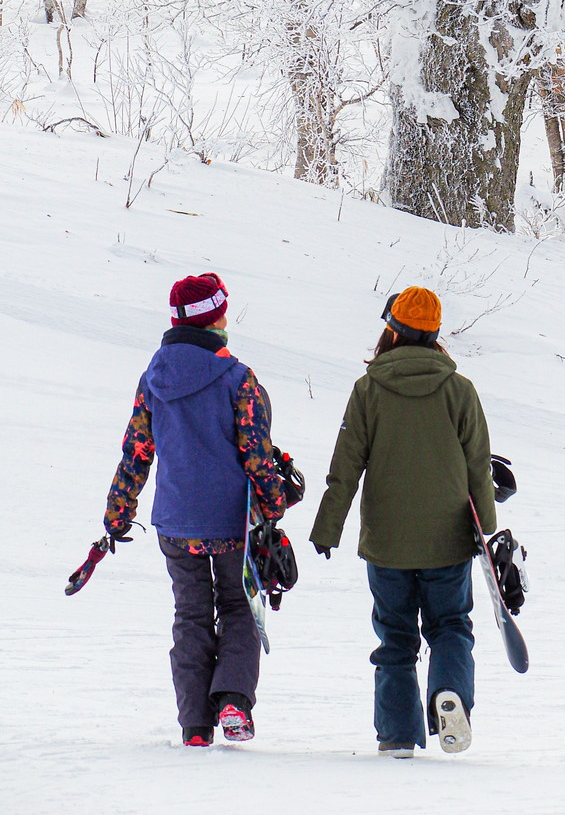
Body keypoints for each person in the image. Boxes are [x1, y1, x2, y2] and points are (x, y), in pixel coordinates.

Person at [310, 285, 498, 759]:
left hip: (387, 543)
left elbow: (346, 466)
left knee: (395, 637)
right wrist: (486, 530)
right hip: (447, 540)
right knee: (451, 625)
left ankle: (396, 734)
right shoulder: (460, 390)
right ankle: (448, 694)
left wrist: (327, 528)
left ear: (391, 330)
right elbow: (479, 466)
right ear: (435, 335)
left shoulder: (368, 389)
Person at [103, 271, 286, 748]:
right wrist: (274, 503)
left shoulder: (154, 377)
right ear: (215, 317)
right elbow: (256, 454)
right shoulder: (238, 379)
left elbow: (137, 451)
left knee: (190, 615)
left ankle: (195, 726)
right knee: (238, 608)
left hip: (176, 522)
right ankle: (232, 701)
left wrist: (119, 510)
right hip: (230, 522)